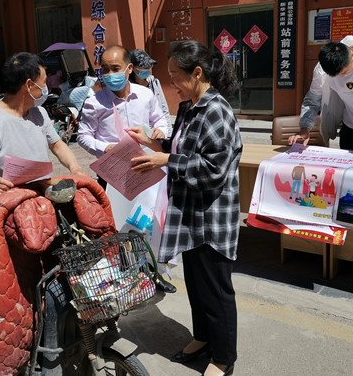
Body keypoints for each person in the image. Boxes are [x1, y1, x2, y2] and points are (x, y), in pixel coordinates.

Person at [128, 40, 241, 376]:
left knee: (216, 290)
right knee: (196, 284)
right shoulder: (189, 106)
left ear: (197, 73)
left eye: (175, 74)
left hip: (211, 218)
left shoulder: (216, 111)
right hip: (189, 213)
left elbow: (213, 169)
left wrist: (165, 160)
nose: (171, 82)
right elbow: (182, 147)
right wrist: (153, 143)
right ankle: (203, 337)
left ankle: (223, 357)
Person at [77, 44, 173, 293]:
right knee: (119, 226)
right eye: (105, 69)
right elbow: (83, 136)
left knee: (148, 224)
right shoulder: (95, 102)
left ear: (129, 68)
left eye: (115, 68)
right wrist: (104, 148)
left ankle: (153, 273)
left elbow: (160, 120)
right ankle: (125, 277)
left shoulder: (145, 95)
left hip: (146, 168)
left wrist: (160, 131)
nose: (110, 74)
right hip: (113, 173)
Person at [0, 52, 88, 196]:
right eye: (44, 82)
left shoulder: (39, 112)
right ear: (29, 85)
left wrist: (75, 167)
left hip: (44, 196)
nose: (46, 88)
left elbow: (57, 145)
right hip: (13, 201)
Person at [129, 49, 173, 137]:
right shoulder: (128, 87)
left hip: (156, 133)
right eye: (144, 68)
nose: (147, 70)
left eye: (149, 67)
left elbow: (163, 108)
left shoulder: (154, 82)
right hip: (137, 133)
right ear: (133, 68)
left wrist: (168, 133)